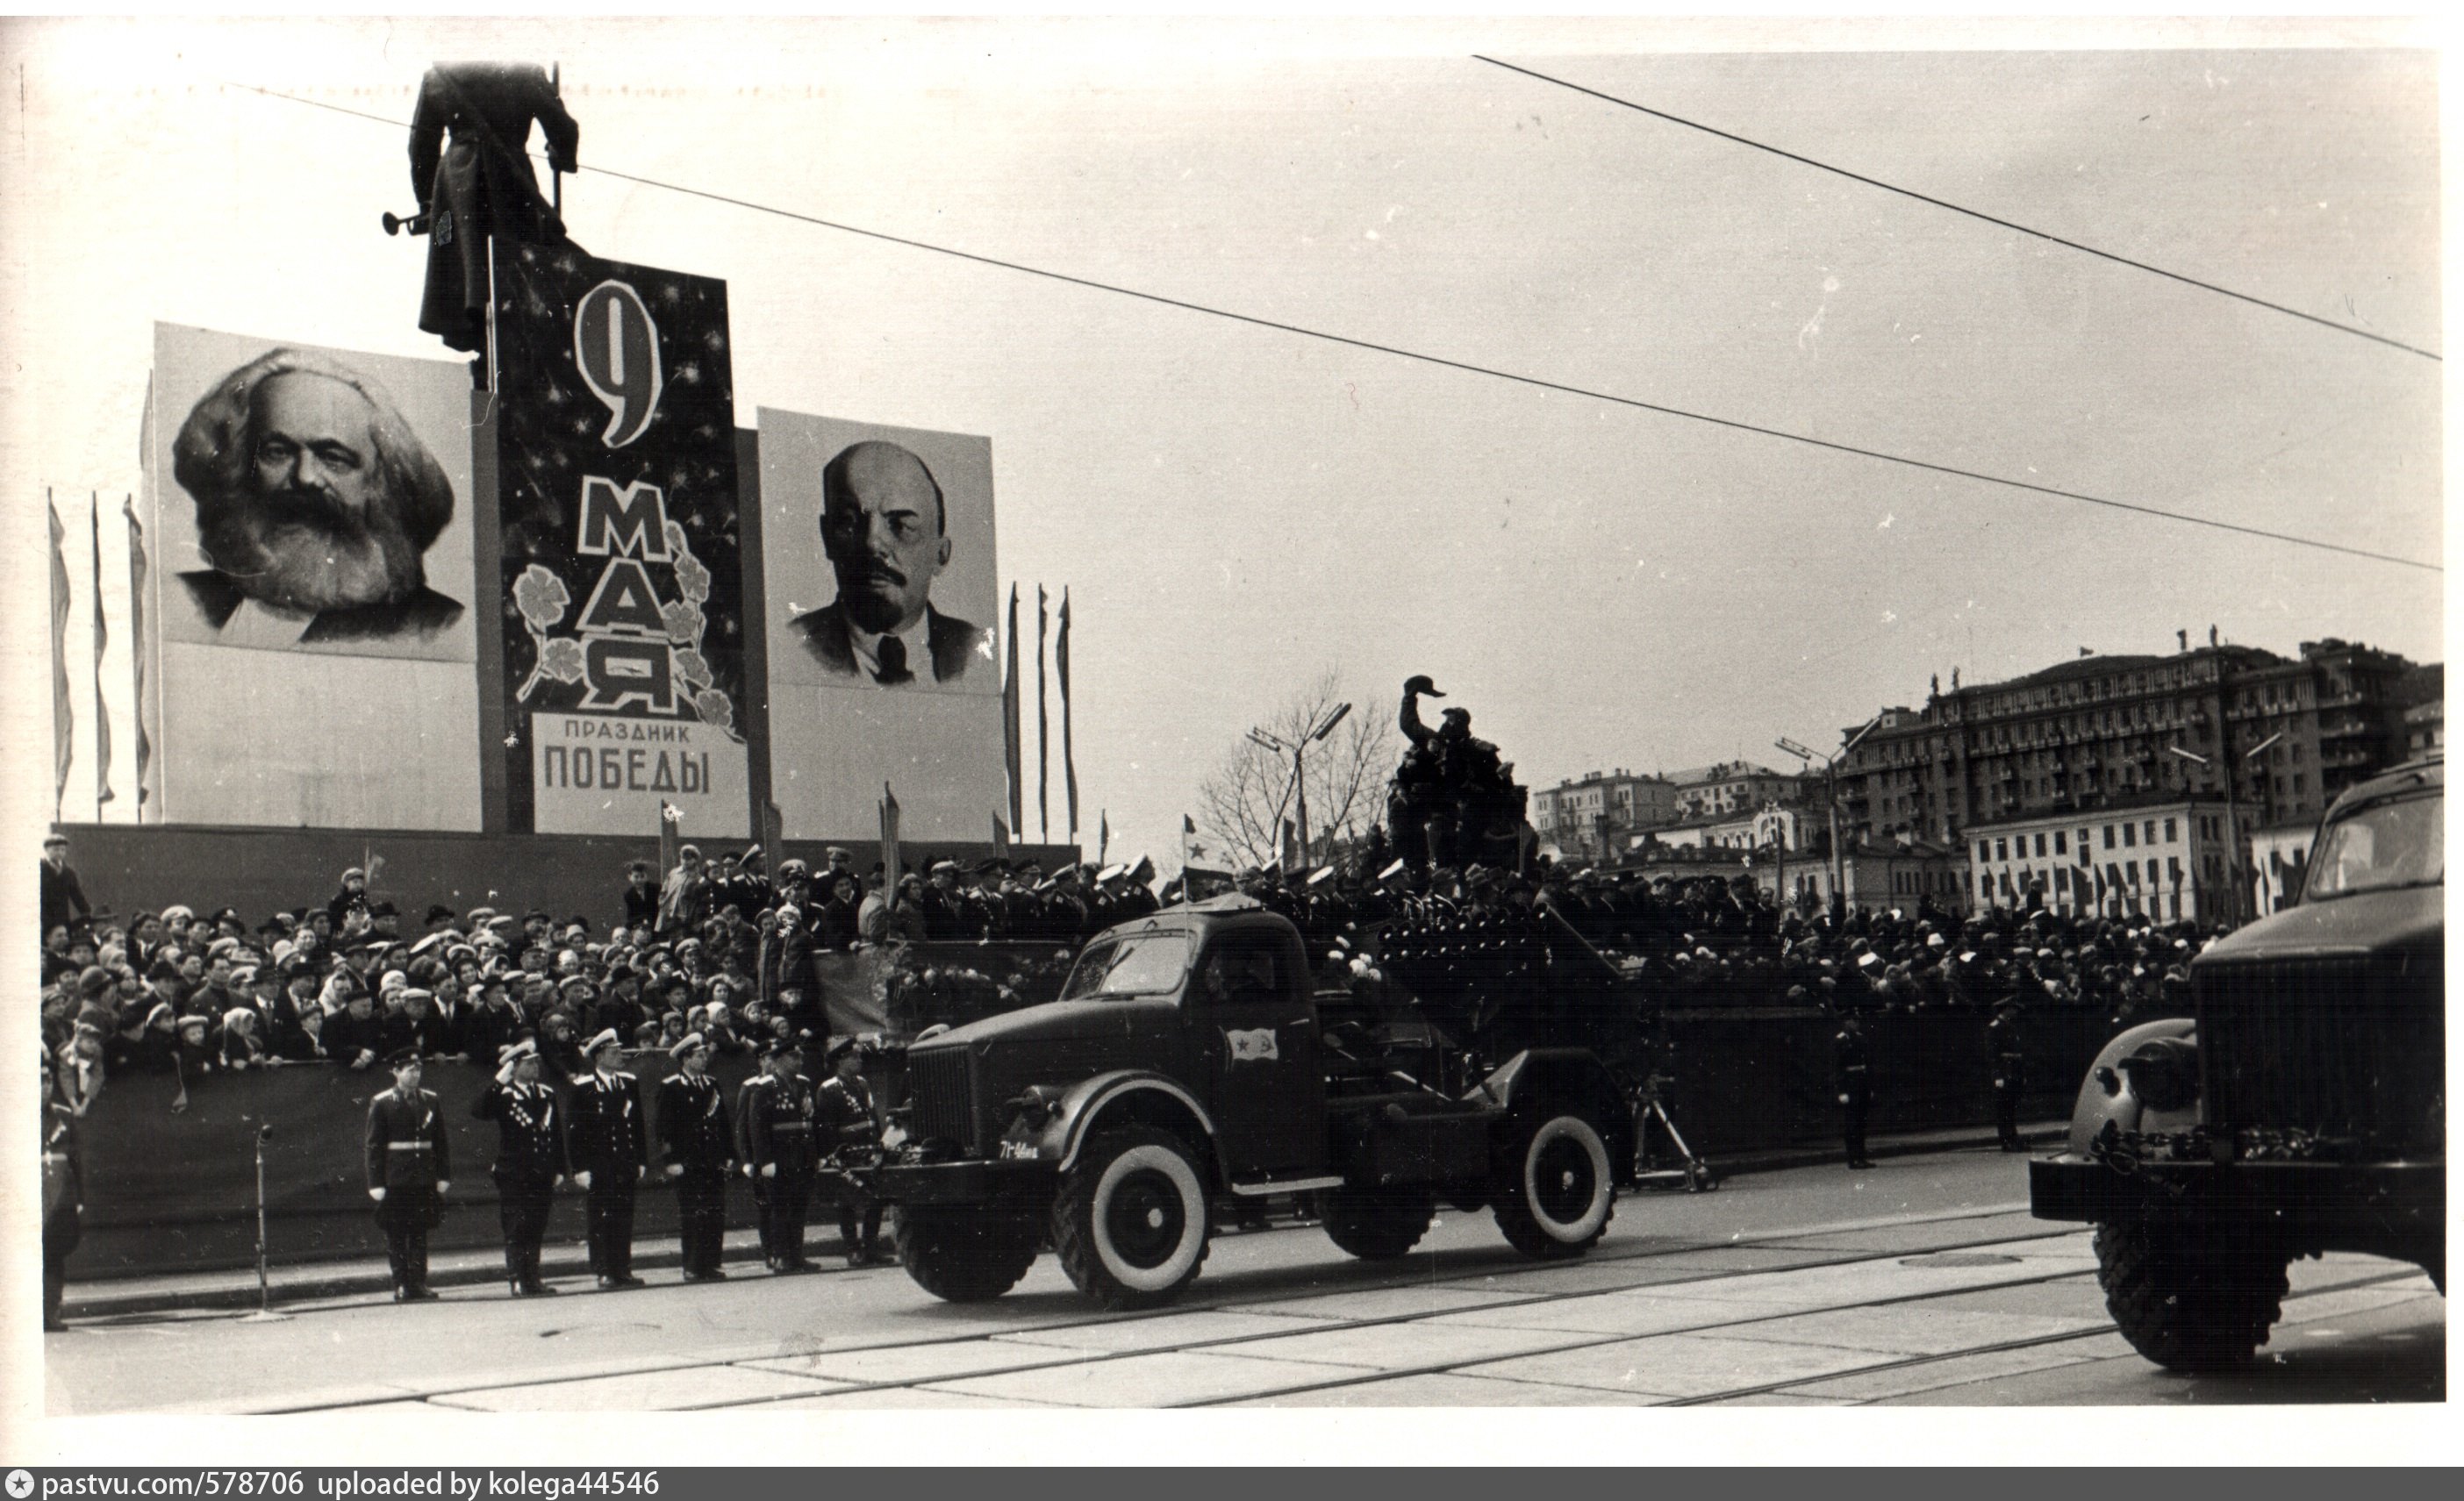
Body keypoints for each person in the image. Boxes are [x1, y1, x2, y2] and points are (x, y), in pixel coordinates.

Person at [168, 347, 463, 645]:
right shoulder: (183, 601)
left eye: (333, 458)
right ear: (240, 467)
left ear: (380, 481)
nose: (305, 477)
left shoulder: (435, 624)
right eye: (278, 452)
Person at [407, 61, 578, 355]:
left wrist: (428, 205)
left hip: (453, 191)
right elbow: (563, 128)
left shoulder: (438, 72)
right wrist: (560, 154)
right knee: (516, 279)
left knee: (458, 273)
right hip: (511, 184)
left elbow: (420, 146)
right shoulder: (522, 68)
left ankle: (477, 337)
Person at [786, 441, 990, 686]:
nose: (872, 543)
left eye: (901, 525)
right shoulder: (791, 647)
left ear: (940, 554)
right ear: (827, 538)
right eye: (850, 522)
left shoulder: (978, 651)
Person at [473, 1040, 568, 1297]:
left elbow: (555, 1133)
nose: (535, 1067)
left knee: (537, 1225)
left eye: (536, 1062)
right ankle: (517, 1278)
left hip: (541, 1170)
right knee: (517, 1226)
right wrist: (498, 1082)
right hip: (515, 1171)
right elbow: (479, 1111)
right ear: (514, 1068)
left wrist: (559, 1167)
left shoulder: (545, 1093)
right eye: (528, 1063)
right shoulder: (504, 1094)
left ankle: (533, 1278)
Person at [364, 1047, 451, 1302]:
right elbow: (373, 1145)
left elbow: (440, 1142)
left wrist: (442, 1175)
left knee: (419, 1231)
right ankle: (401, 1283)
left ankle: (418, 1282)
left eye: (418, 1069)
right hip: (397, 1178)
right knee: (397, 1232)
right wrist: (376, 1182)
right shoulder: (382, 1102)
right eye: (410, 1070)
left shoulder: (430, 1100)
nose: (416, 1074)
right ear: (396, 1072)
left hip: (423, 1176)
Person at [565, 1030, 648, 1290]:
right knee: (601, 1217)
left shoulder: (628, 1083)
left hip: (624, 1161)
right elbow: (575, 1132)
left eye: (620, 1052)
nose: (620, 1057)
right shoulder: (584, 1088)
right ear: (599, 1056)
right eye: (614, 1053)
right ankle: (603, 1269)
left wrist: (640, 1159)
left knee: (624, 1216)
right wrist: (580, 1168)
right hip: (600, 1165)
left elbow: (637, 1125)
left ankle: (622, 1268)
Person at [656, 1033, 734, 1282]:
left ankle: (711, 1263)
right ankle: (692, 1264)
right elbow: (664, 1128)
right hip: (688, 1161)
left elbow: (722, 1122)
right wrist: (671, 1160)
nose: (704, 1059)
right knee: (693, 1214)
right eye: (699, 1056)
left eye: (704, 1055)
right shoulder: (671, 1086)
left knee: (714, 1212)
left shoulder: (711, 1084)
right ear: (686, 1059)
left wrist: (729, 1153)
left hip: (712, 1158)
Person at [740, 1038, 820, 1273]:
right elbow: (757, 1127)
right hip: (779, 1157)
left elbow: (808, 1121)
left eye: (800, 1057)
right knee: (779, 1208)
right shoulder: (764, 1088)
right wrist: (764, 1160)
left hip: (801, 1156)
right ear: (780, 1060)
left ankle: (797, 1255)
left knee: (798, 1208)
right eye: (794, 1057)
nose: (800, 1061)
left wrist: (813, 1155)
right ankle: (781, 1255)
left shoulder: (803, 1084)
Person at [814, 1039, 885, 1266]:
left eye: (858, 1056)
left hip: (868, 1149)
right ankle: (853, 1249)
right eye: (853, 1057)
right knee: (847, 1202)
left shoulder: (862, 1084)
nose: (859, 1060)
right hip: (846, 1152)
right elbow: (825, 1127)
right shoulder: (829, 1088)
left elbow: (872, 1117)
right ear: (840, 1062)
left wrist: (879, 1142)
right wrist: (832, 1154)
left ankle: (870, 1246)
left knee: (876, 1198)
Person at [40, 1049, 82, 1332]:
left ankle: (50, 1312)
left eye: (46, 1082)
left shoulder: (64, 1116)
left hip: (58, 1199)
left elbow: (76, 1161)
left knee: (53, 1256)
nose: (43, 1088)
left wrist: (80, 1199)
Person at [1834, 1012, 1874, 1170]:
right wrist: (1841, 1091)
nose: (1855, 1024)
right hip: (1850, 1083)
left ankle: (1861, 1157)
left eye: (1857, 1021)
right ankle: (1853, 1158)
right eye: (1852, 1021)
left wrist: (1869, 1087)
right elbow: (1838, 1067)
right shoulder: (1840, 1041)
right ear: (1845, 1023)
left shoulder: (1861, 1038)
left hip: (1861, 1082)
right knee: (1851, 1123)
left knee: (1861, 1122)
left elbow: (1867, 1064)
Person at [1987, 998, 2028, 1152]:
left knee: (2011, 1107)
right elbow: (1993, 1055)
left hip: (2014, 1070)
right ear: (2005, 1009)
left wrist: (2022, 1073)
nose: (2016, 1012)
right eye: (2013, 1009)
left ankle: (2014, 1138)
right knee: (2004, 1108)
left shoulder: (2010, 1026)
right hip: (2005, 1071)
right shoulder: (1995, 1028)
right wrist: (1997, 1076)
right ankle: (2006, 1140)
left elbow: (2018, 1053)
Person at [39, 834, 90, 937]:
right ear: (46, 850)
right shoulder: (39, 869)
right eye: (56, 850)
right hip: (44, 921)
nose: (60, 853)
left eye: (63, 850)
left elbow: (78, 897)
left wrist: (87, 914)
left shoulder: (68, 872)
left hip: (63, 921)